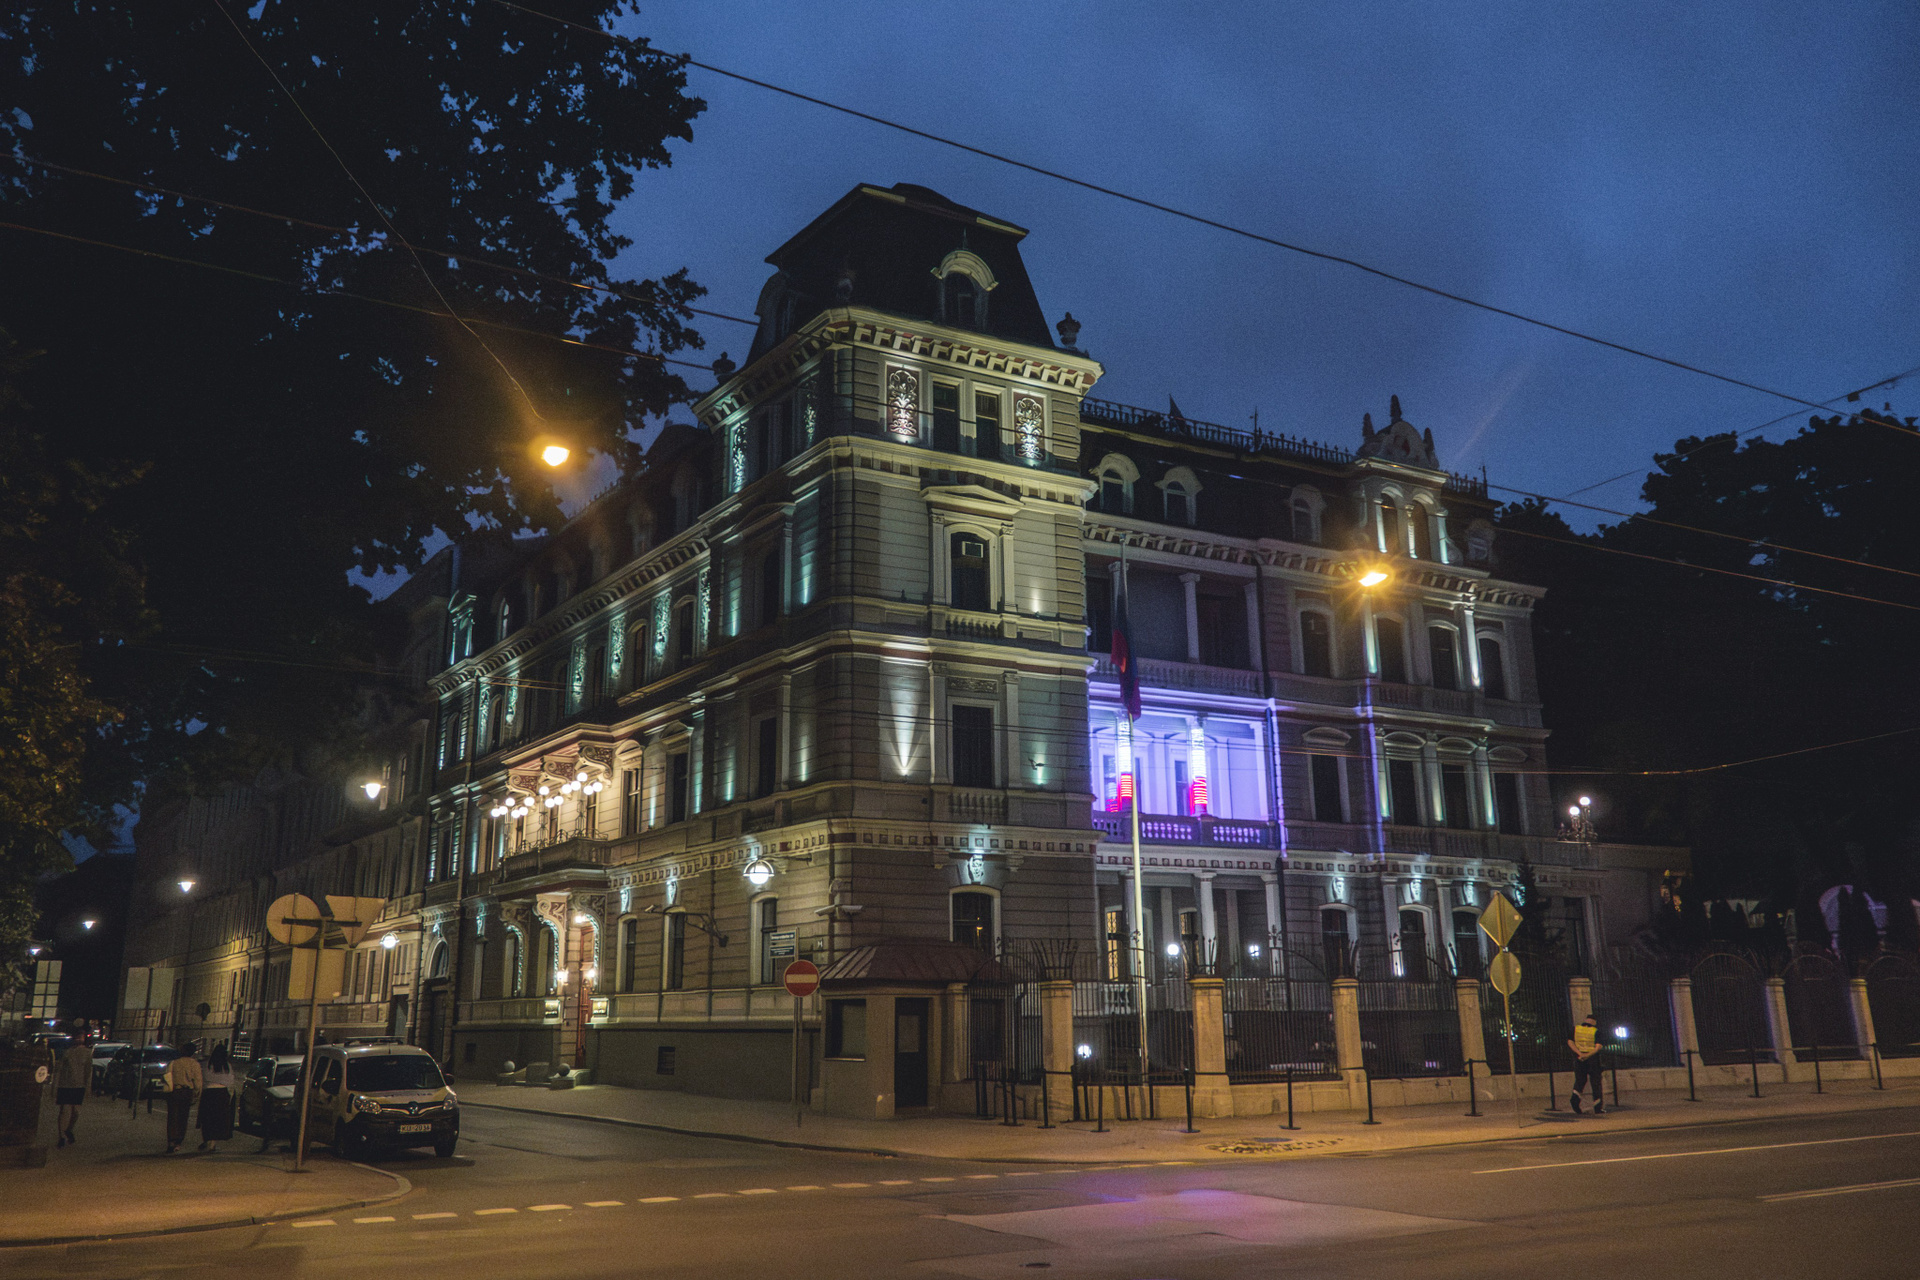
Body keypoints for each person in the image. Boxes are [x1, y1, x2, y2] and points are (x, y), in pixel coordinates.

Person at [55, 1018, 93, 1148]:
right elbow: (59, 1070)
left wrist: (87, 1087)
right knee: (64, 1111)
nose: (78, 1039)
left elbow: (88, 1071)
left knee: (76, 1112)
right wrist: (55, 1086)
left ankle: (68, 1130)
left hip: (78, 1086)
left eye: (81, 1037)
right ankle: (61, 1136)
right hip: (65, 1085)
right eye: (77, 1036)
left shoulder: (87, 1053)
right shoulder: (68, 1052)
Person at [160, 1044, 203, 1154]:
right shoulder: (195, 1064)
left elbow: (167, 1076)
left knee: (172, 1116)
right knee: (183, 1117)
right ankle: (178, 1141)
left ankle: (171, 1141)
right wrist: (197, 1094)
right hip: (187, 1092)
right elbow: (198, 1081)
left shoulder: (174, 1063)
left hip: (175, 1091)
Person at [197, 1041, 235, 1153]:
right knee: (218, 1120)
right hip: (222, 1093)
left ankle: (207, 1140)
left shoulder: (207, 1065)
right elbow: (230, 1081)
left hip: (209, 1093)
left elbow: (202, 1078)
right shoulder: (227, 1066)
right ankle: (213, 1144)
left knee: (207, 1118)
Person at [1567, 1014, 1605, 1114]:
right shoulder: (1596, 1031)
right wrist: (1587, 1055)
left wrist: (1579, 1054)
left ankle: (1575, 1100)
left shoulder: (1575, 1029)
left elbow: (1570, 1042)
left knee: (1580, 1080)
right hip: (1593, 1060)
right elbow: (1597, 1047)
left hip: (1579, 1059)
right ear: (1594, 1022)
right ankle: (1598, 1107)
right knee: (1596, 1082)